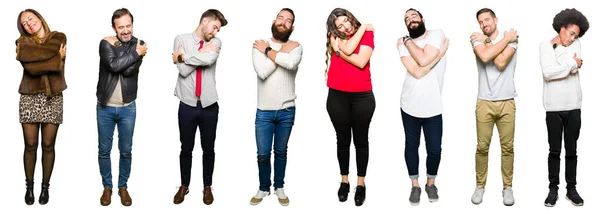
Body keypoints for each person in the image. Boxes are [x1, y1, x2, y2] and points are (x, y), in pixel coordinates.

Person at [171, 9, 227, 205]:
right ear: (204, 21)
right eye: (214, 27)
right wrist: (199, 52)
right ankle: (184, 186)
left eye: (218, 30)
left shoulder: (216, 42)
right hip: (187, 103)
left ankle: (207, 187)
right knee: (186, 148)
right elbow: (184, 70)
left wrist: (184, 56)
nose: (215, 33)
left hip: (209, 105)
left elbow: (209, 59)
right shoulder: (181, 38)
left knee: (208, 149)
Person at [248, 8, 302, 207]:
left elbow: (291, 64)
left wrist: (270, 52)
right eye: (281, 18)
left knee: (281, 151)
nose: (283, 22)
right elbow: (262, 72)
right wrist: (280, 53)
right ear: (274, 20)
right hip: (264, 111)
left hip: (287, 110)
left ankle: (279, 187)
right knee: (263, 154)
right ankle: (264, 188)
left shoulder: (296, 47)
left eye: (288, 21)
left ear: (292, 27)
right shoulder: (258, 45)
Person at [397, 8, 449, 206]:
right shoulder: (403, 42)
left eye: (413, 16)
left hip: (433, 106)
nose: (410, 20)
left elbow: (423, 60)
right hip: (409, 104)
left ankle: (431, 183)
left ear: (422, 19)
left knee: (434, 149)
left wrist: (409, 44)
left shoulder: (436, 34)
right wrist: (440, 55)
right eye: (406, 19)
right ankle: (415, 186)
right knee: (412, 146)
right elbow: (417, 71)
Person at [16, 8, 67, 206]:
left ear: (38, 17)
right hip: (29, 98)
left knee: (48, 145)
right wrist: (56, 59)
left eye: (31, 18)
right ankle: (29, 186)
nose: (29, 23)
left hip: (52, 97)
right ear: (23, 29)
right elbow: (30, 68)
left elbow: (35, 63)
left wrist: (34, 57)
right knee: (30, 145)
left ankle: (45, 187)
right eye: (24, 23)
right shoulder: (22, 43)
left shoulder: (59, 37)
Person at [96, 8, 147, 206]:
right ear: (113, 28)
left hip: (128, 108)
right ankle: (107, 188)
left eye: (128, 26)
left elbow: (128, 70)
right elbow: (114, 66)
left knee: (126, 150)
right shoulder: (104, 43)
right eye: (121, 27)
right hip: (105, 107)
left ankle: (122, 187)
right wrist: (133, 53)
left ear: (132, 25)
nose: (125, 31)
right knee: (104, 150)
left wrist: (128, 51)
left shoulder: (139, 44)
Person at [325, 7, 375, 207]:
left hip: (362, 97)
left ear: (351, 18)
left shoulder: (366, 33)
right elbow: (348, 50)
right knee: (342, 141)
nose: (345, 27)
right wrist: (339, 48)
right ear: (334, 29)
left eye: (346, 21)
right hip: (337, 96)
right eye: (339, 26)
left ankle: (361, 184)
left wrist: (339, 50)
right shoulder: (336, 37)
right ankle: (344, 181)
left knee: (361, 142)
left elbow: (361, 61)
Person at [469, 8, 519, 206]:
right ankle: (480, 186)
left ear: (495, 20)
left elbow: (500, 62)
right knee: (482, 147)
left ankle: (507, 187)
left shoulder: (512, 37)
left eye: (487, 20)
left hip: (507, 101)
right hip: (484, 102)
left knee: (507, 148)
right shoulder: (476, 38)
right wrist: (496, 41)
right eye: (481, 22)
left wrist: (490, 41)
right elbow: (485, 57)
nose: (484, 25)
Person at [539, 8, 588, 207]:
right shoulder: (544, 45)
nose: (572, 38)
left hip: (574, 105)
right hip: (553, 107)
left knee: (572, 151)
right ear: (562, 28)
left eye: (575, 35)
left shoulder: (577, 44)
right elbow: (548, 73)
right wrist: (570, 63)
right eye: (570, 33)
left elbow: (575, 66)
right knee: (554, 151)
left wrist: (558, 50)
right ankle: (553, 190)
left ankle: (571, 189)